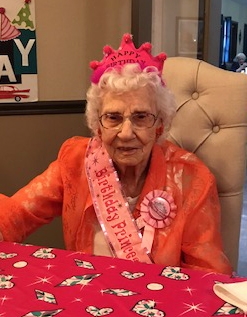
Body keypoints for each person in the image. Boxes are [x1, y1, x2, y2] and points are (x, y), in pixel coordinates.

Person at [0, 33, 232, 275]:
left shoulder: (191, 178)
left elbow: (207, 275)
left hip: (163, 306)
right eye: (113, 117)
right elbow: (17, 214)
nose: (126, 133)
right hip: (86, 295)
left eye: (141, 117)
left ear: (160, 124)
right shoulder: (76, 161)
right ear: (97, 125)